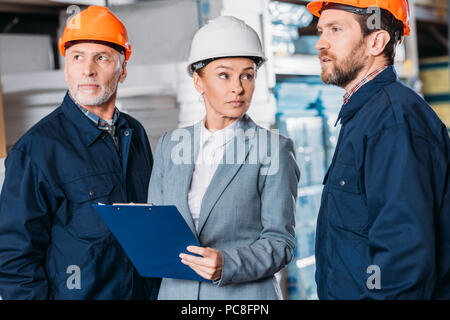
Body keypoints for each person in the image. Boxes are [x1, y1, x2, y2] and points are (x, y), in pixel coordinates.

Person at [0, 6, 160, 299]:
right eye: (77, 57)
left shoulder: (134, 133)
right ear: (67, 69)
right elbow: (14, 259)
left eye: (101, 57)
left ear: (123, 69)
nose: (88, 69)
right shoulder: (36, 150)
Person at [147, 16, 300, 300]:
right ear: (198, 81)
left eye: (248, 74)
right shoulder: (171, 145)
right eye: (224, 75)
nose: (238, 88)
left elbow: (281, 243)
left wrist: (226, 264)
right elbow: (157, 228)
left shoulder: (273, 148)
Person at [307, 0, 450, 299]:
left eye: (335, 29)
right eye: (322, 30)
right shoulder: (365, 115)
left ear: (376, 41)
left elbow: (403, 259)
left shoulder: (393, 121)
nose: (321, 42)